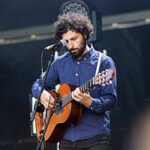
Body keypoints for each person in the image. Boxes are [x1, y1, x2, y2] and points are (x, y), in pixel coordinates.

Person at [32, 12, 117, 150]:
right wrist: (42, 94)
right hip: (66, 139)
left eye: (74, 39)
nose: (70, 45)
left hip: (96, 138)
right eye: (66, 41)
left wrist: (92, 103)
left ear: (84, 34)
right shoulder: (59, 63)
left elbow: (111, 100)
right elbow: (37, 85)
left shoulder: (104, 62)